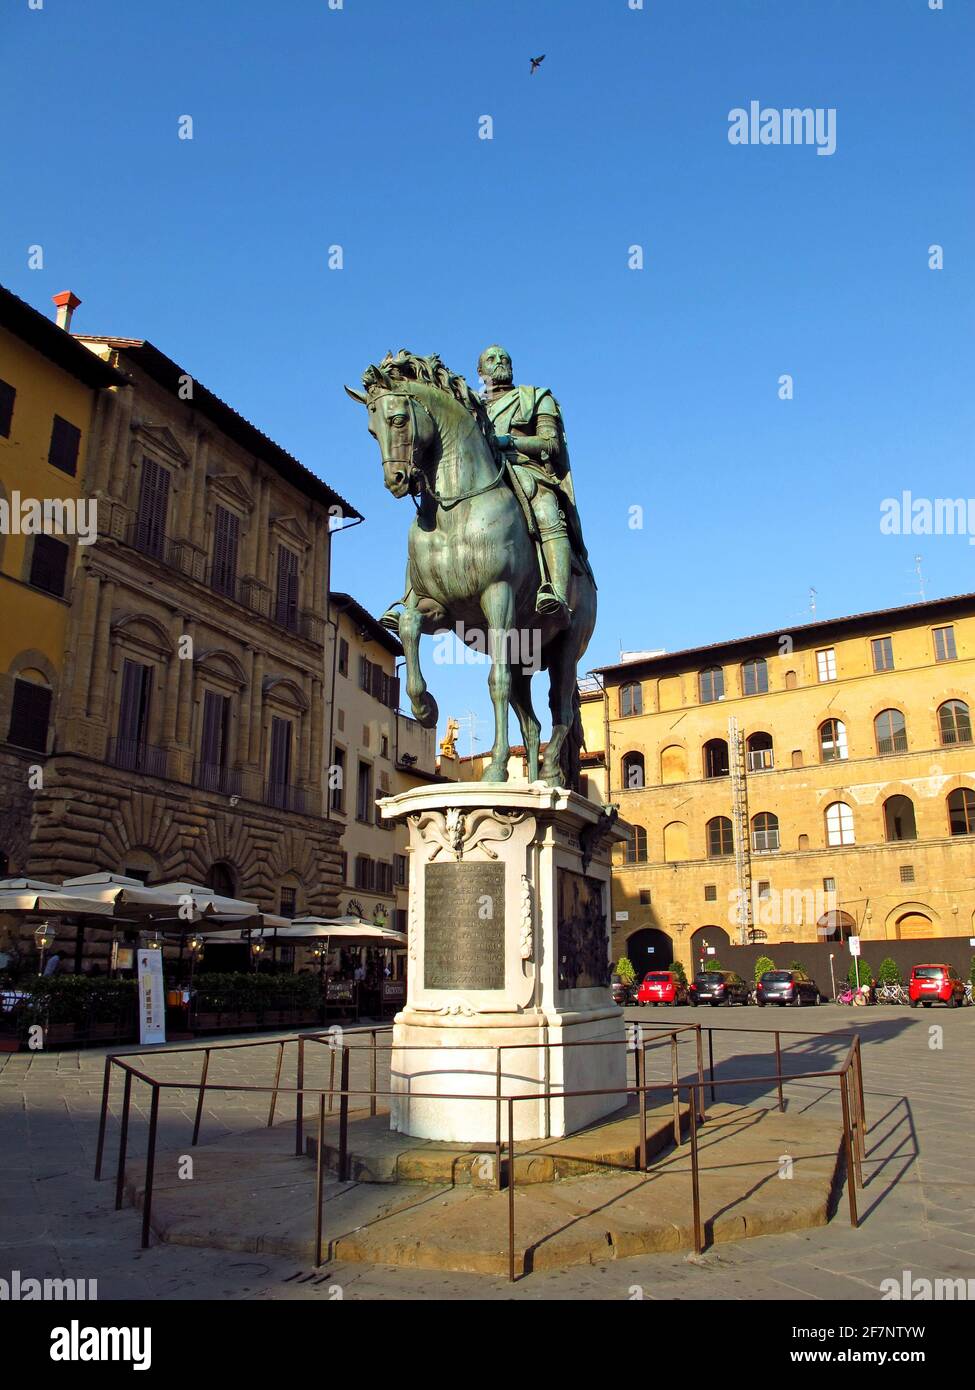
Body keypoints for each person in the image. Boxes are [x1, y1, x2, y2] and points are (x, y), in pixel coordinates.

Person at [477, 343, 591, 631]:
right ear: (481, 371)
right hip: (482, 478)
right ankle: (412, 599)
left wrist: (510, 442)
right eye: (491, 359)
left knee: (547, 510)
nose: (499, 361)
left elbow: (550, 444)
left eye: (504, 357)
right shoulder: (471, 406)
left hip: (525, 470)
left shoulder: (536, 398)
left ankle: (558, 593)